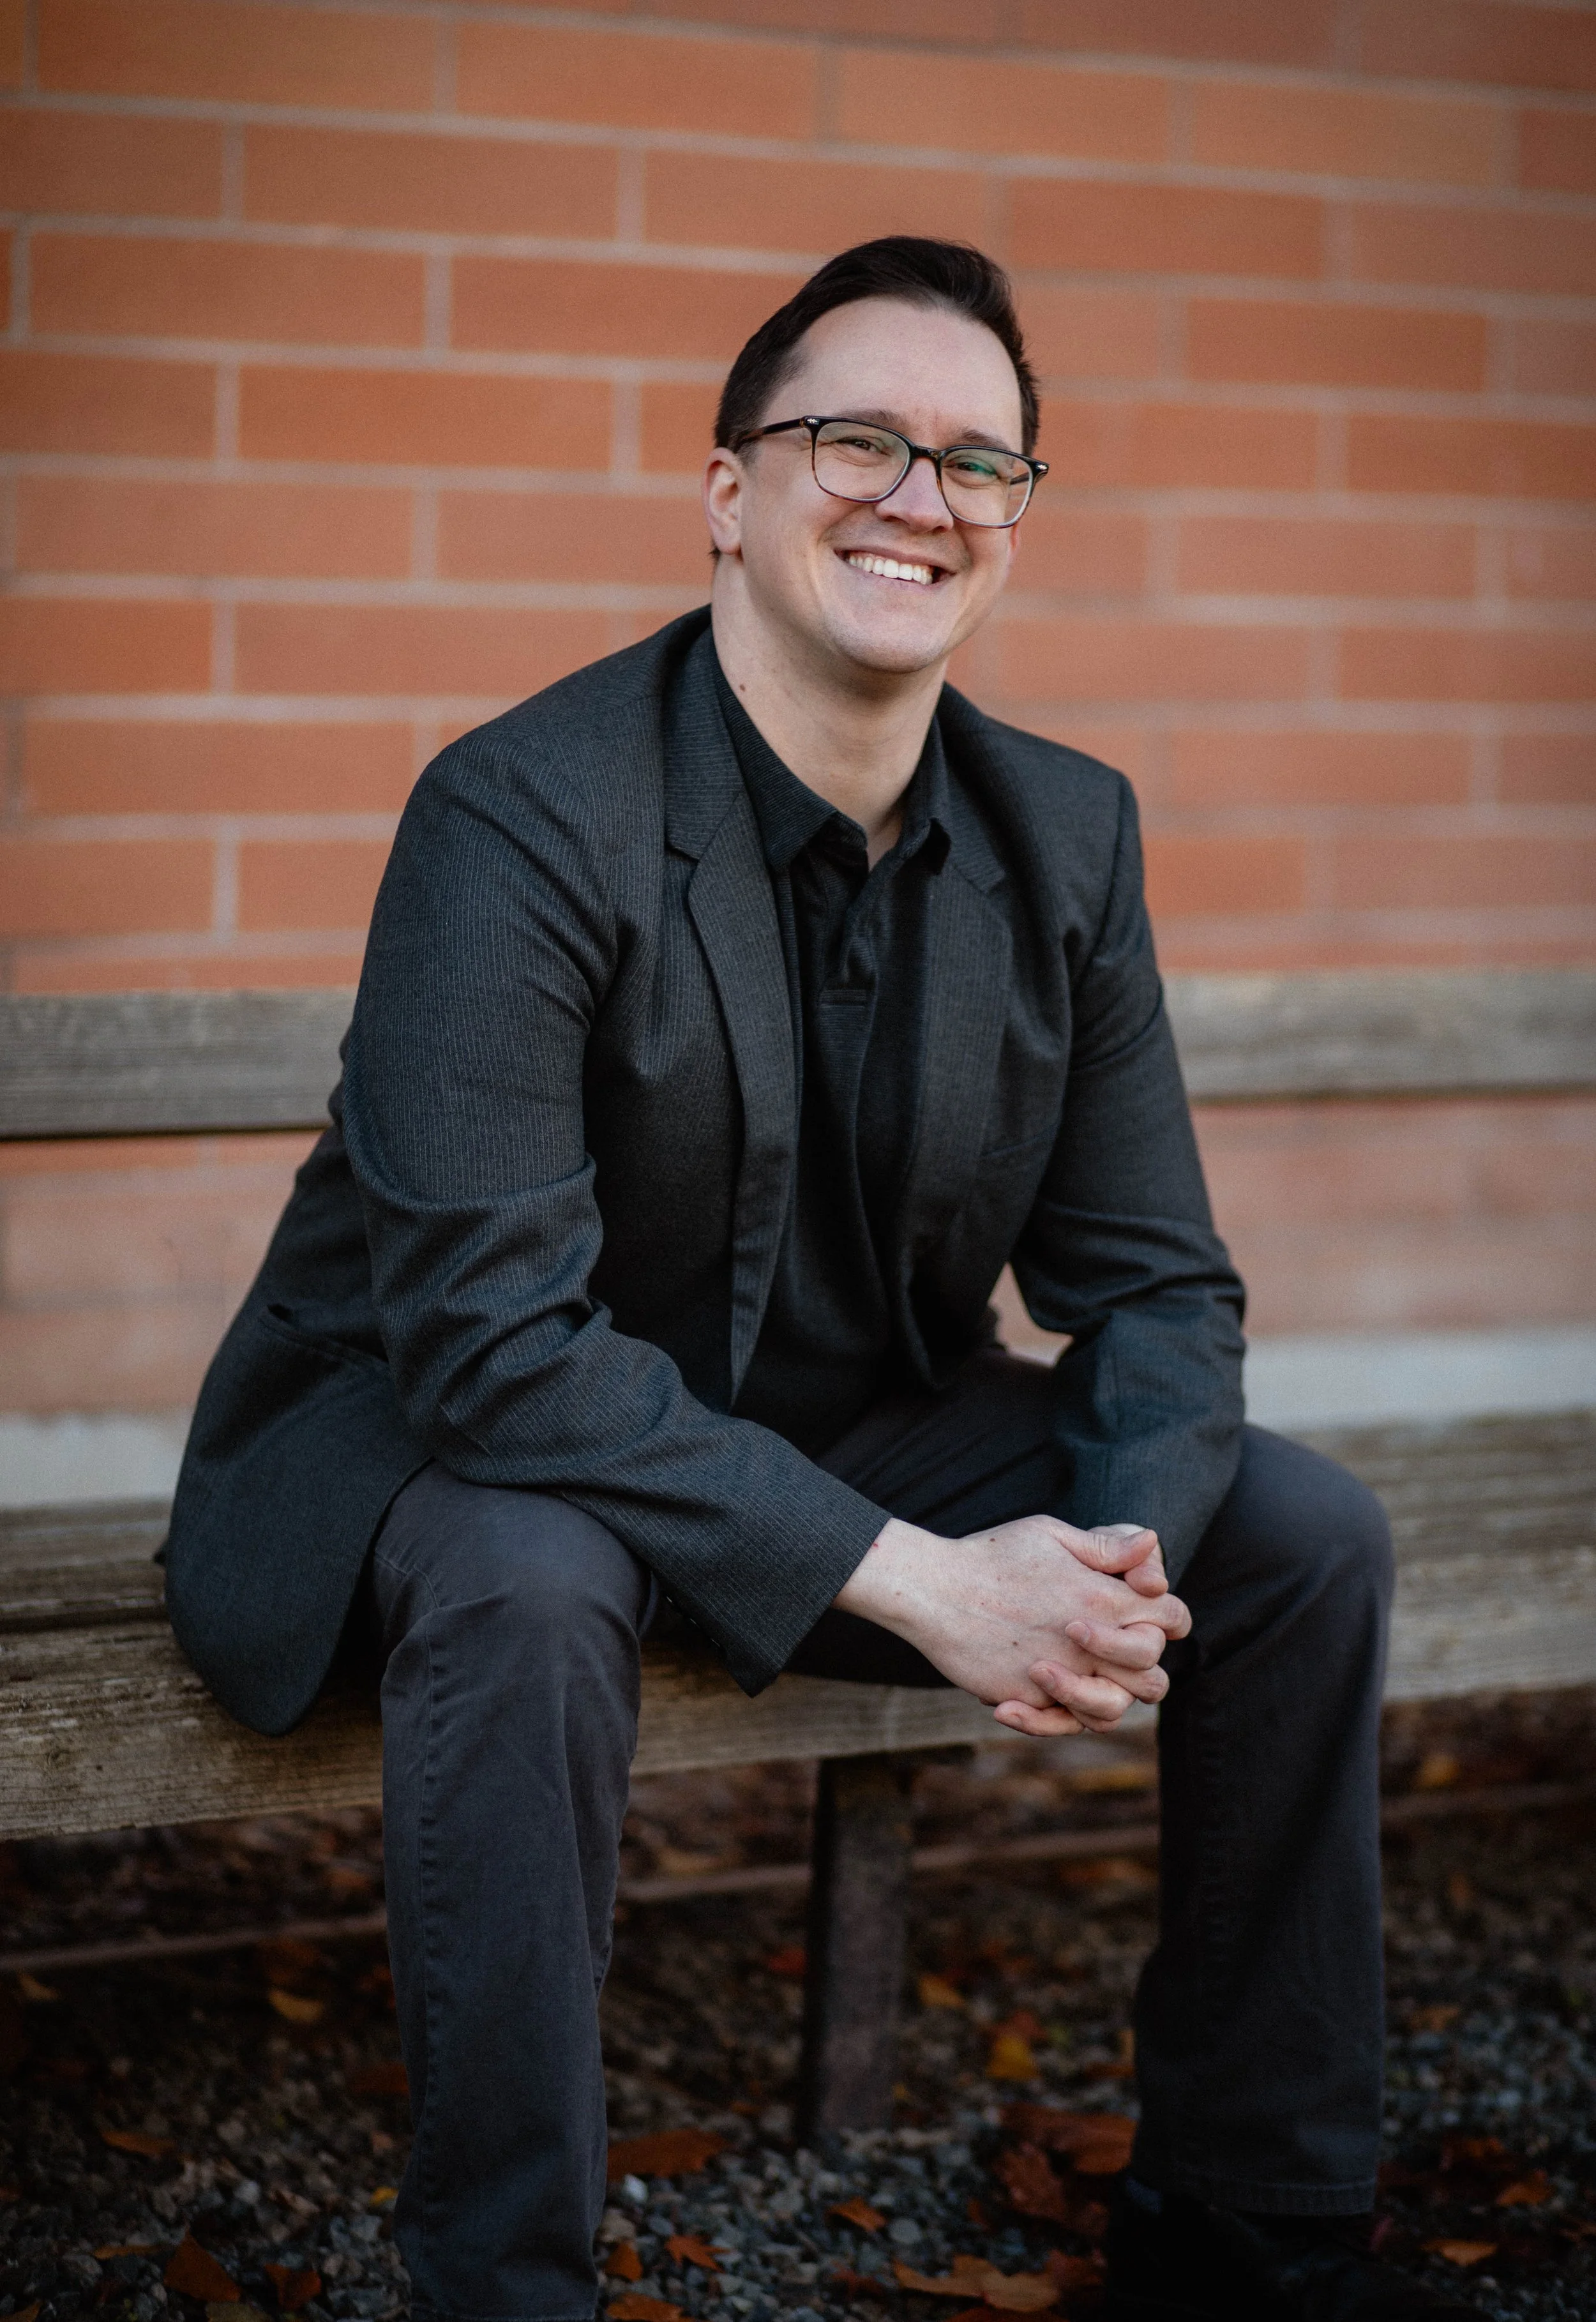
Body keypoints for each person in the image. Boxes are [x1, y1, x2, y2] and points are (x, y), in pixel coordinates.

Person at [164, 237, 1476, 2322]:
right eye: (855, 438)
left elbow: (1159, 1286)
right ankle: (501, 2285)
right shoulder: (520, 813)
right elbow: (497, 1348)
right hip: (441, 1446)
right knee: (531, 1574)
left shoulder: (1066, 837)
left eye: (978, 461)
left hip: (838, 1424)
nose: (918, 495)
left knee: (1299, 1536)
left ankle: (1248, 2226)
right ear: (728, 491)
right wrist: (931, 1578)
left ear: (1016, 519)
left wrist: (1104, 1556)